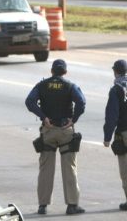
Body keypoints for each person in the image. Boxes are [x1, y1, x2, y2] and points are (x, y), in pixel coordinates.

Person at [25, 59, 86, 215]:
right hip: (65, 130)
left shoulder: (42, 85)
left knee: (45, 168)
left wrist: (43, 117)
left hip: (49, 129)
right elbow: (81, 102)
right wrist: (74, 119)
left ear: (51, 71)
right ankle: (72, 205)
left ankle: (42, 205)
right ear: (65, 72)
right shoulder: (70, 85)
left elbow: (29, 101)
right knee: (70, 168)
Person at [103, 59, 127, 211]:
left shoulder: (116, 89)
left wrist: (107, 137)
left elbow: (112, 115)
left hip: (124, 132)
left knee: (125, 170)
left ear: (115, 71)